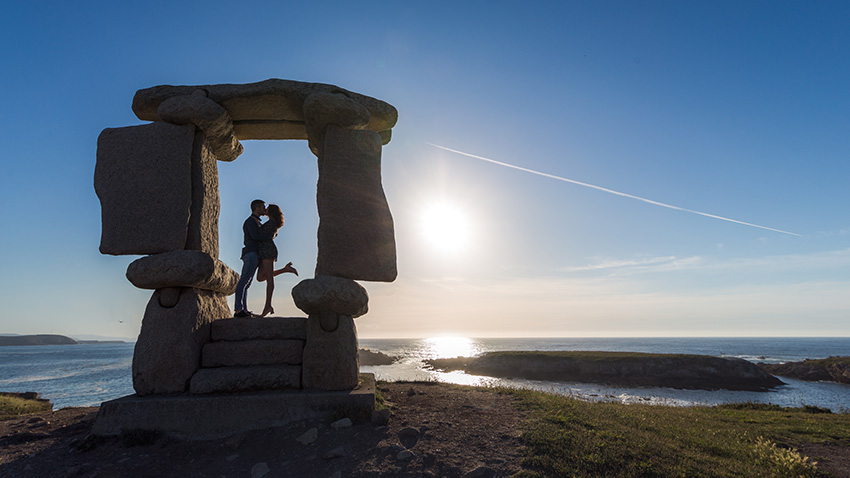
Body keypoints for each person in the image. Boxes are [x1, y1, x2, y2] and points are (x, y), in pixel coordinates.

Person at [233, 199, 276, 318]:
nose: (264, 209)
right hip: (251, 253)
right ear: (257, 208)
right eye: (263, 207)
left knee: (247, 283)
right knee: (244, 280)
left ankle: (244, 309)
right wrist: (270, 236)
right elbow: (255, 236)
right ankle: (238, 309)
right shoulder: (250, 221)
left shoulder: (257, 221)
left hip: (256, 254)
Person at [255, 203, 298, 317]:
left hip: (268, 251)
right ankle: (285, 269)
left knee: (269, 279)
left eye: (267, 208)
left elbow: (261, 235)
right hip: (265, 251)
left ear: (271, 212)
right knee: (260, 278)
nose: (265, 209)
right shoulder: (271, 223)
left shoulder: (272, 223)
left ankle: (267, 306)